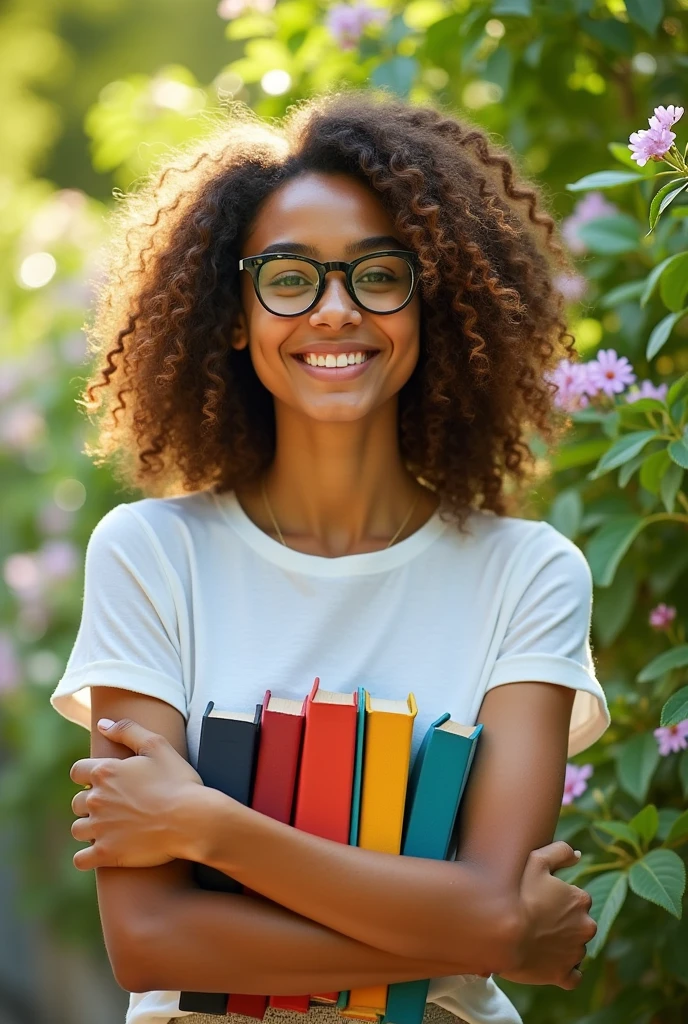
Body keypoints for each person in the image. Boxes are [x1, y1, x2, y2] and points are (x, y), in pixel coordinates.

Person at [50, 90, 609, 1024]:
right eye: (289, 278)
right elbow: (148, 942)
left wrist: (208, 828)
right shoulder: (151, 558)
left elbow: (493, 898)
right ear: (235, 313)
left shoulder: (530, 574)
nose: (336, 310)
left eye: (378, 275)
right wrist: (483, 934)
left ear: (432, 298)